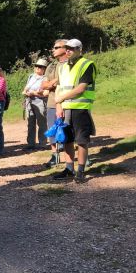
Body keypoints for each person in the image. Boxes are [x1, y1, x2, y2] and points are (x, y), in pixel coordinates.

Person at [53, 39, 97, 183]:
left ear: (80, 49)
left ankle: (81, 171)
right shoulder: (62, 66)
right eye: (67, 48)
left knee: (82, 141)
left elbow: (81, 88)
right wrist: (59, 106)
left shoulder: (87, 64)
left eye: (72, 48)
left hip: (80, 108)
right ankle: (69, 169)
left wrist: (61, 99)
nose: (68, 51)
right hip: (65, 109)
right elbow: (59, 87)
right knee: (67, 140)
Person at [41, 39, 68, 168]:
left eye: (57, 47)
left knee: (71, 130)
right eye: (54, 47)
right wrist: (55, 81)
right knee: (52, 129)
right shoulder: (51, 66)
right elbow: (43, 85)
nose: (53, 49)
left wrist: (53, 83)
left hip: (69, 102)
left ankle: (81, 157)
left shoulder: (71, 64)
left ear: (65, 48)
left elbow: (66, 82)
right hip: (52, 102)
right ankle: (54, 156)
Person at [22, 58, 48, 150]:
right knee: (30, 123)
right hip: (30, 101)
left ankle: (42, 144)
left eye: (40, 67)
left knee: (42, 124)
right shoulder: (31, 76)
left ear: (44, 69)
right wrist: (25, 91)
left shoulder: (45, 78)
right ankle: (31, 143)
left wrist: (33, 93)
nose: (37, 68)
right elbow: (26, 87)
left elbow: (46, 93)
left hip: (40, 101)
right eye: (36, 66)